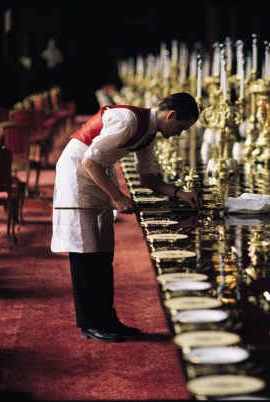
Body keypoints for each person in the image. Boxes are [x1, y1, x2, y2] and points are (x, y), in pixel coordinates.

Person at [51, 92, 202, 342]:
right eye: (182, 127)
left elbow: (148, 179)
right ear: (171, 115)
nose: (180, 133)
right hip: (77, 173)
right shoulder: (130, 120)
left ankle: (107, 320)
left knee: (103, 253)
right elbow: (89, 161)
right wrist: (118, 197)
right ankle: (90, 324)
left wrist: (180, 193)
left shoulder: (149, 133)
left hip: (98, 173)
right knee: (86, 254)